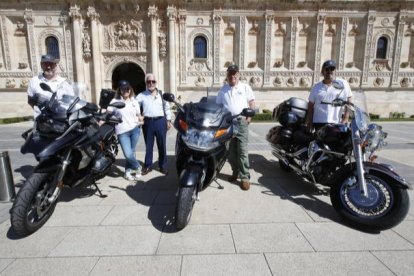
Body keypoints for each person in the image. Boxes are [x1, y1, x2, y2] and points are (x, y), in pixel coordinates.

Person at [216, 64, 255, 191]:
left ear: (238, 75)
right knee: (230, 152)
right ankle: (235, 172)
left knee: (242, 151)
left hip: (241, 122)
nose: (232, 76)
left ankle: (245, 178)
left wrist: (249, 118)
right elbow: (218, 107)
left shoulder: (245, 87)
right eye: (230, 74)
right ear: (227, 76)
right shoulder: (223, 90)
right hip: (228, 124)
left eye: (235, 74)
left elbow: (251, 102)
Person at [136, 73, 172, 175]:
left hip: (160, 121)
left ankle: (163, 166)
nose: (151, 83)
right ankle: (148, 166)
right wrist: (138, 115)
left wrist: (168, 120)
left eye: (153, 81)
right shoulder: (141, 95)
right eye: (148, 81)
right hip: (148, 122)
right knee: (149, 145)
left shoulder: (162, 94)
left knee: (162, 145)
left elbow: (167, 107)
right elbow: (134, 106)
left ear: (156, 82)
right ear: (146, 83)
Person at [108, 80, 143, 181]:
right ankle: (137, 167)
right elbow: (108, 112)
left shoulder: (134, 101)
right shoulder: (114, 102)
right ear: (119, 90)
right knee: (127, 154)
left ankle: (128, 172)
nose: (125, 91)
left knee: (131, 152)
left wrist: (141, 119)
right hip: (122, 131)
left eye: (127, 88)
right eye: (123, 89)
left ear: (130, 89)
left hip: (134, 129)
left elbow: (138, 115)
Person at [306, 60, 352, 131]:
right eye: (327, 69)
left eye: (332, 69)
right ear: (322, 72)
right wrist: (310, 122)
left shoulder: (343, 84)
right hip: (319, 123)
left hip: (335, 123)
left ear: (335, 71)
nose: (329, 71)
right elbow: (310, 105)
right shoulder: (316, 87)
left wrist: (346, 118)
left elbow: (349, 101)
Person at [27, 54, 74, 119]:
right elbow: (30, 100)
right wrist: (39, 110)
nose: (48, 67)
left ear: (55, 66)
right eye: (45, 64)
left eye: (51, 64)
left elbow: (71, 101)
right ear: (41, 65)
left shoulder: (64, 83)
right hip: (41, 121)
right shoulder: (34, 81)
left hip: (59, 121)